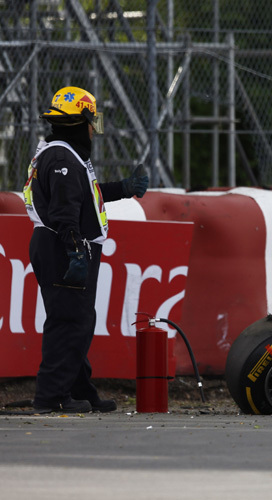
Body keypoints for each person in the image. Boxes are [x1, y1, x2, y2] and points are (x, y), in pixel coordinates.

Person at [23, 86, 149, 413]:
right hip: (62, 246)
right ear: (79, 121)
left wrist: (124, 189)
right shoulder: (62, 156)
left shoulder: (64, 153)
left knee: (79, 319)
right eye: (91, 120)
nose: (94, 128)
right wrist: (76, 251)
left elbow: (85, 198)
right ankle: (51, 397)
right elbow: (65, 212)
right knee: (69, 321)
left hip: (63, 244)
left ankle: (79, 389)